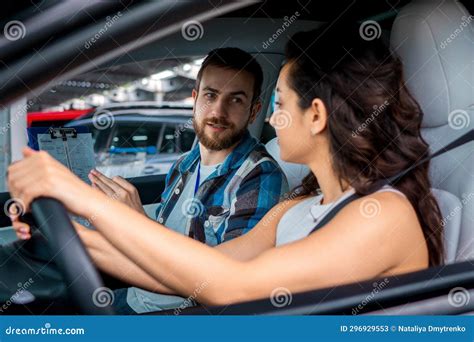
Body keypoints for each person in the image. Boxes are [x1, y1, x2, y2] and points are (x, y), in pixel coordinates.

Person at [9, 24, 444, 310]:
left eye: (277, 104)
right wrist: (63, 232)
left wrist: (79, 194)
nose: (271, 120)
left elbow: (233, 287)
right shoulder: (296, 209)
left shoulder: (384, 214)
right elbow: (196, 271)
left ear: (315, 115)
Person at [8, 47, 288, 314]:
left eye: (236, 100)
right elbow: (160, 254)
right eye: (210, 95)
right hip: (137, 295)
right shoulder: (184, 166)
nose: (218, 111)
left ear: (254, 111)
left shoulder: (259, 177)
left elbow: (221, 286)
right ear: (194, 99)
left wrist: (135, 220)